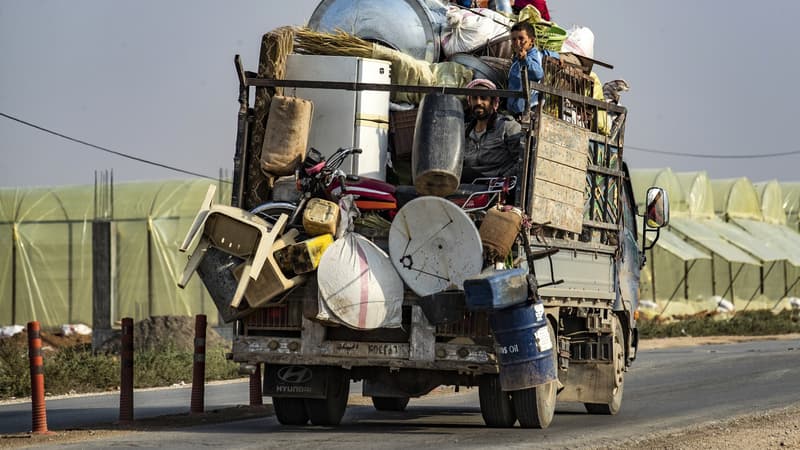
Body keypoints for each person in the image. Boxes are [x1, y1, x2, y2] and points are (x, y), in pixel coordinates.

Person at [461, 79, 525, 182]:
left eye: (483, 98)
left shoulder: (507, 127)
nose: (478, 102)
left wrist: (502, 180)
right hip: (466, 189)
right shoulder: (463, 131)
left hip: (494, 190)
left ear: (493, 102)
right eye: (474, 98)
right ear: (469, 101)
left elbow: (522, 161)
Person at [506, 21, 559, 117]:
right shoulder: (516, 60)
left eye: (521, 38)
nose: (517, 43)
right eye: (514, 39)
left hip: (529, 112)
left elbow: (538, 73)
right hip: (514, 111)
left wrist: (525, 59)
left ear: (532, 41)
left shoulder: (533, 57)